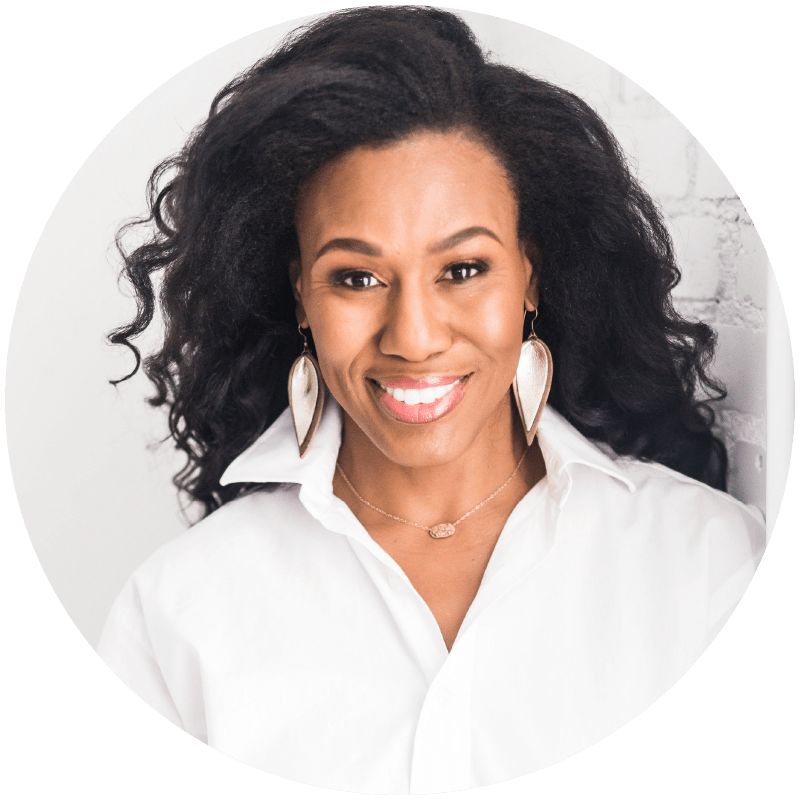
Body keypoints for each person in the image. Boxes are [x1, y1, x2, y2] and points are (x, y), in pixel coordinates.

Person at [99, 6, 765, 794]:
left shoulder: (708, 565)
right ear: (301, 294)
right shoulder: (178, 613)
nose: (413, 338)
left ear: (531, 277)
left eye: (463, 270)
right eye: (356, 277)